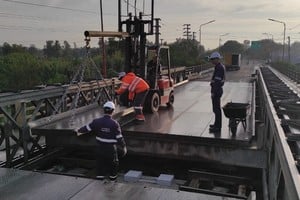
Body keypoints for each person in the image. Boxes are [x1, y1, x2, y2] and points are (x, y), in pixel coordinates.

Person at [77, 101, 127, 180]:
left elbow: (86, 129)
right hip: (110, 149)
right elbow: (119, 138)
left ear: (104, 110)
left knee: (100, 165)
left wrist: (78, 130)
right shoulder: (114, 123)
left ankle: (100, 179)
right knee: (113, 165)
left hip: (100, 148)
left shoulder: (96, 121)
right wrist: (124, 147)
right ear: (113, 111)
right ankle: (112, 179)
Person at [209, 52, 225, 133]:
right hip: (217, 90)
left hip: (217, 91)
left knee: (217, 109)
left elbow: (217, 82)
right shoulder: (218, 67)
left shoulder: (219, 68)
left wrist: (213, 92)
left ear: (217, 59)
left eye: (212, 59)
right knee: (215, 109)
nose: (211, 61)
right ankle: (216, 124)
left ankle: (217, 127)